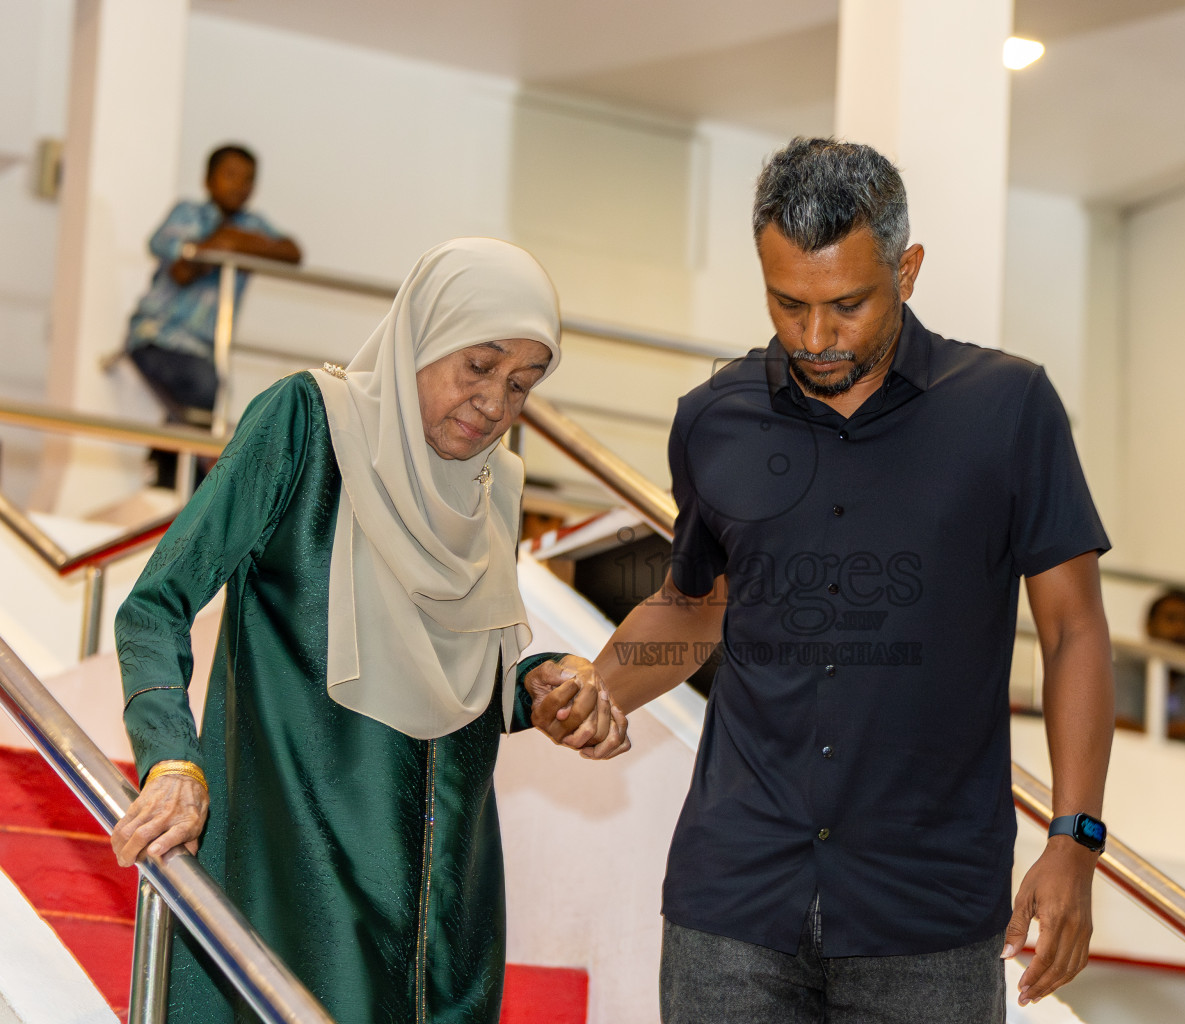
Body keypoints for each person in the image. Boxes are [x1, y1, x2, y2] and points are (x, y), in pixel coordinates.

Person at [597, 138, 1115, 1021]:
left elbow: (1073, 631)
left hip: (927, 915)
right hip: (733, 904)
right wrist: (599, 687)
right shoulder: (715, 417)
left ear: (907, 269)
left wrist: (1075, 837)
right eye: (787, 303)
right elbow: (697, 604)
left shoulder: (1008, 408)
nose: (815, 336)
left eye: (846, 304)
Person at [108, 238, 630, 1024]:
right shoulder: (306, 427)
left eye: (522, 385)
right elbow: (154, 605)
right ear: (421, 335)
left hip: (448, 926)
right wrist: (169, 757)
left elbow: (451, 683)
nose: (496, 404)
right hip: (302, 892)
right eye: (478, 365)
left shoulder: (491, 488)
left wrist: (541, 683)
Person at [126, 144, 303, 486]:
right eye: (231, 175)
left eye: (249, 179)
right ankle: (185, 478)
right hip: (159, 335)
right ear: (208, 180)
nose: (240, 185)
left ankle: (168, 471)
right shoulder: (187, 213)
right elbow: (180, 268)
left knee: (203, 398)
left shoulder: (251, 225)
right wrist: (226, 245)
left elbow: (291, 252)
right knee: (204, 391)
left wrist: (230, 242)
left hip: (202, 349)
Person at [1113, 589, 1185, 744]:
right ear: (1149, 625)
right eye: (1171, 619)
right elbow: (1121, 731)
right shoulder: (1123, 672)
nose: (1181, 629)